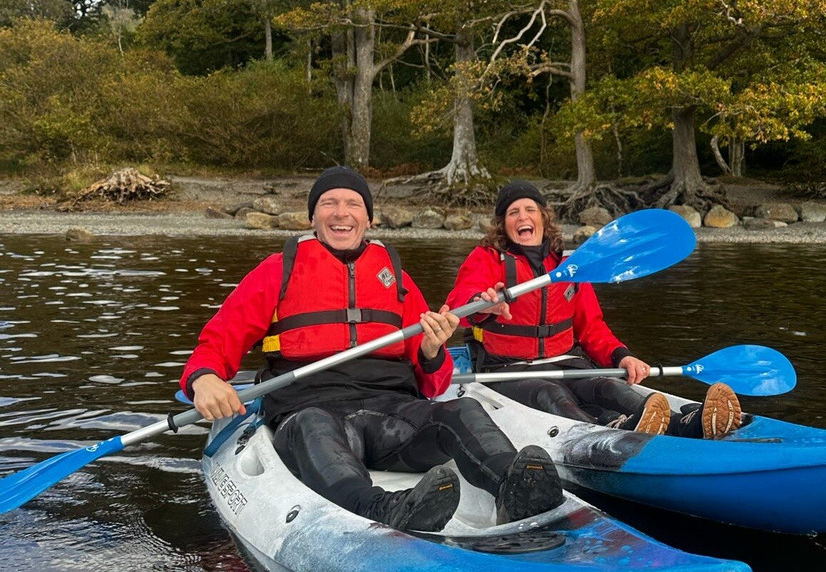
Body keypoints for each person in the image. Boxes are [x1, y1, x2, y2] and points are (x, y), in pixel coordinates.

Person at [181, 166, 563, 532]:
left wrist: (432, 351)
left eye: (353, 204)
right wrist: (205, 379)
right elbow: (216, 342)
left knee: (462, 408)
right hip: (310, 412)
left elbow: (434, 384)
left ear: (368, 219)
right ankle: (379, 507)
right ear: (313, 216)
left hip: (390, 414)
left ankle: (517, 487)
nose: (341, 213)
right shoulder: (277, 270)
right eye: (329, 203)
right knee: (312, 423)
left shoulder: (394, 275)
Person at [447, 180, 743, 439]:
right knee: (551, 394)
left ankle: (686, 423)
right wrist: (484, 303)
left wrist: (622, 355)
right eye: (513, 212)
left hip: (567, 361)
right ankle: (611, 433)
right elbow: (457, 305)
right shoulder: (487, 258)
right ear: (503, 224)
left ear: (543, 217)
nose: (522, 217)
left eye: (530, 210)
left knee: (606, 386)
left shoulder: (570, 266)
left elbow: (592, 327)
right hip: (508, 369)